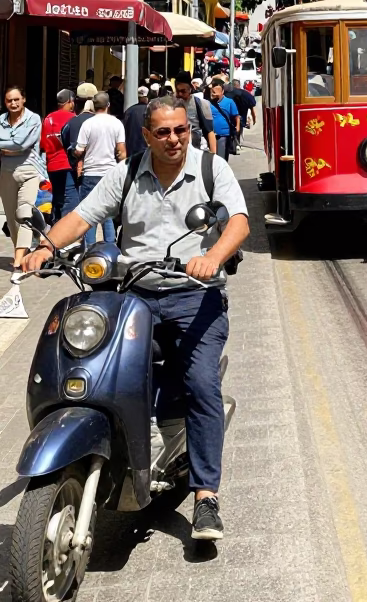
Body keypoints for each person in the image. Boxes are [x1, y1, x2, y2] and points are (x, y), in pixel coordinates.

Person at [22, 95, 250, 542]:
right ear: (146, 136)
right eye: (163, 132)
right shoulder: (126, 175)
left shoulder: (210, 169)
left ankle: (206, 496)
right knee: (103, 366)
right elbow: (83, 216)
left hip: (195, 296)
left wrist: (212, 256)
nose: (173, 140)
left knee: (201, 384)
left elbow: (238, 221)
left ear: (190, 130)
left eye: (181, 130)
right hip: (137, 297)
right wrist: (45, 249)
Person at [0, 86, 43, 271]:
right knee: (11, 217)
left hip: (29, 171)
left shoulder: (33, 119)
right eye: (10, 100)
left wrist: (5, 147)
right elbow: (17, 145)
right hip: (6, 172)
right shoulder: (1, 120)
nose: (13, 103)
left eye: (17, 99)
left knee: (24, 214)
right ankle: (23, 252)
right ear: (5, 102)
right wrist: (12, 147)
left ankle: (18, 259)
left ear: (23, 99)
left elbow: (23, 144)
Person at [74, 93, 126, 246]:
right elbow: (122, 152)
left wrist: (76, 154)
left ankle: (89, 249)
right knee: (108, 214)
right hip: (110, 173)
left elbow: (79, 150)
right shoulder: (116, 123)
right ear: (108, 105)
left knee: (89, 214)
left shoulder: (87, 124)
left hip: (90, 173)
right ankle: (110, 247)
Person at [40, 89, 78, 223]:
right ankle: (65, 231)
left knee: (57, 197)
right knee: (70, 198)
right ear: (69, 102)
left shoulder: (48, 118)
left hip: (52, 165)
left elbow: (43, 144)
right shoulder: (73, 118)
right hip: (67, 164)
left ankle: (55, 225)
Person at [175, 73, 217, 153]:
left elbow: (209, 132)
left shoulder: (201, 104)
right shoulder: (171, 103)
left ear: (190, 89)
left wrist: (213, 157)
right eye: (178, 91)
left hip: (195, 150)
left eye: (183, 91)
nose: (180, 94)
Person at [209, 78, 239, 160]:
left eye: (216, 92)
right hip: (211, 134)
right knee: (212, 158)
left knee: (221, 158)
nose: (214, 94)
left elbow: (236, 116)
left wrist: (237, 127)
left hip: (224, 135)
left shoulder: (229, 102)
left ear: (222, 92)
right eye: (213, 92)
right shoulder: (208, 103)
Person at [123, 85, 150, 157]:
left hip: (131, 150)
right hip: (146, 150)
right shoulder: (151, 110)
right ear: (147, 97)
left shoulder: (129, 110)